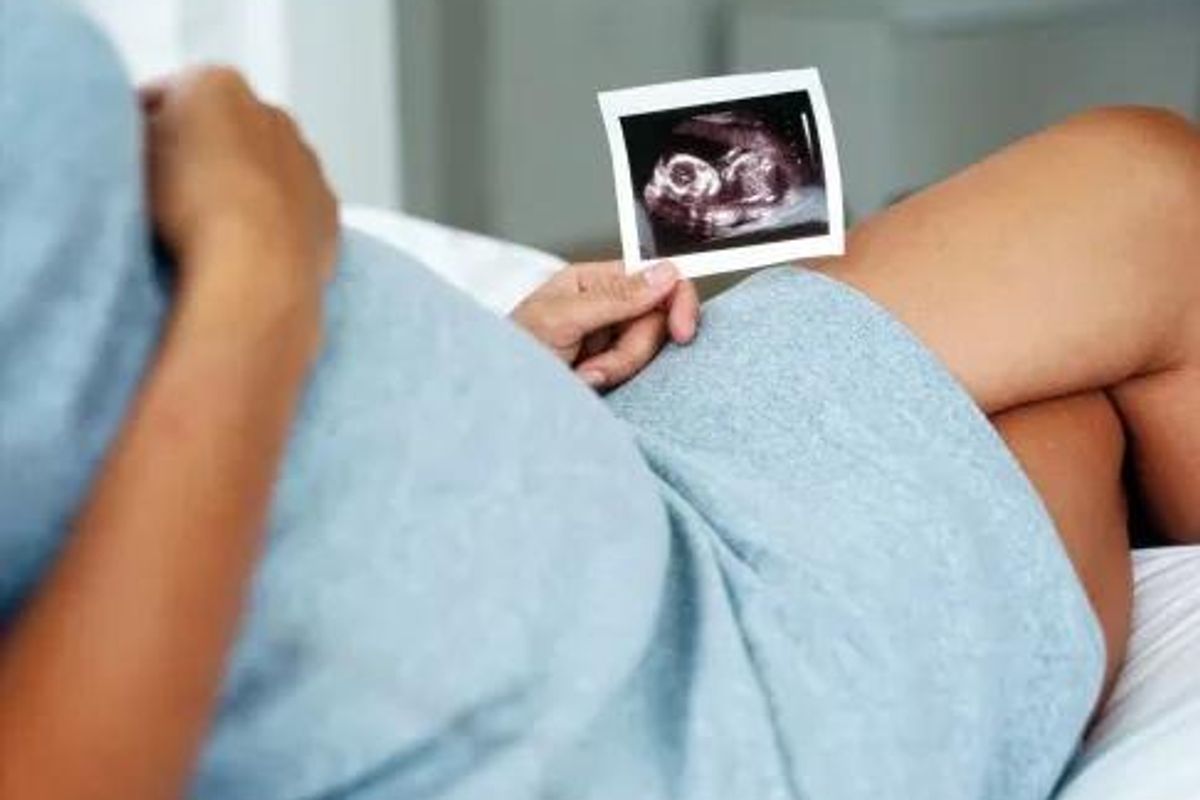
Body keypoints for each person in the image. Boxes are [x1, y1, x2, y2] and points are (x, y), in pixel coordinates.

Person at [1, 2, 1197, 798]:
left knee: (1142, 185)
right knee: (1077, 389)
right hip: (626, 706)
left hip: (559, 496)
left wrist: (478, 379)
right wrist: (260, 270)